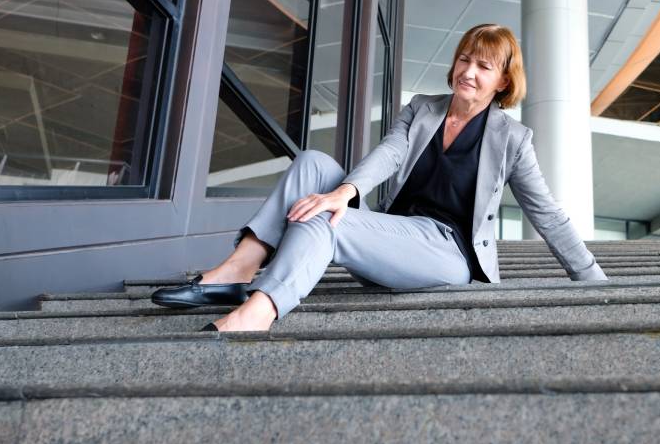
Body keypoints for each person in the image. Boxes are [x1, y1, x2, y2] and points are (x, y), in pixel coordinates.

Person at [152, 23, 608, 331]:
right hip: (393, 234)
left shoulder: (513, 139)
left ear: (503, 82)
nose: (468, 72)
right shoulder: (423, 108)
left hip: (447, 255)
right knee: (313, 164)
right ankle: (239, 268)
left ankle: (260, 310)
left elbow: (547, 214)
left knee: (327, 219)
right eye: (465, 59)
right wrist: (346, 191)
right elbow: (390, 153)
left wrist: (595, 283)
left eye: (483, 67)